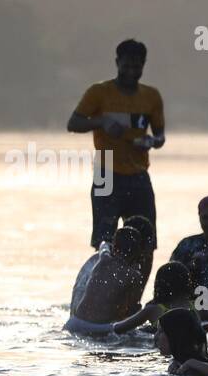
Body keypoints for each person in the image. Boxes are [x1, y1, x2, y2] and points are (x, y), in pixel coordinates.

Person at [67, 39, 165, 250]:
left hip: (138, 172)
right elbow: (73, 123)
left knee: (145, 240)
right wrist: (101, 121)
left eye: (136, 67)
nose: (131, 71)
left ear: (144, 65)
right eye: (126, 66)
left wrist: (152, 141)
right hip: (106, 171)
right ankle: (102, 280)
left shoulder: (151, 96)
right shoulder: (99, 92)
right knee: (104, 239)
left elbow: (160, 137)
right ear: (117, 62)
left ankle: (138, 283)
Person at [65, 226, 148, 336]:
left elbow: (103, 245)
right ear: (138, 252)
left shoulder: (104, 259)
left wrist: (107, 245)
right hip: (100, 329)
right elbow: (130, 312)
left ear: (114, 247)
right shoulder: (133, 276)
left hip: (75, 323)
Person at [112, 262, 208, 336]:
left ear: (159, 285)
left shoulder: (153, 310)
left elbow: (118, 328)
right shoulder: (197, 306)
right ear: (188, 284)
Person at [158, 308, 208, 376]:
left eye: (161, 331)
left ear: (175, 336)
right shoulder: (178, 362)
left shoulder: (189, 370)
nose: (156, 337)